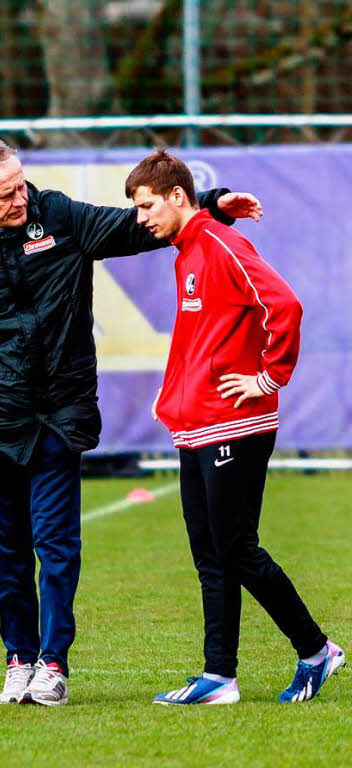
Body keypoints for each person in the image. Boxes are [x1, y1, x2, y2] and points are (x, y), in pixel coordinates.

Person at [0, 137, 263, 707]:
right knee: (7, 554)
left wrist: (212, 203)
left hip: (56, 416)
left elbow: (132, 227)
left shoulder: (57, 215)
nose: (21, 199)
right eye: (6, 194)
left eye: (22, 184)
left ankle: (53, 664)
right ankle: (18, 659)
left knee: (57, 546)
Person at [125, 148, 344, 706]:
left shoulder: (222, 243)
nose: (141, 217)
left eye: (147, 204)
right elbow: (202, 334)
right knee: (210, 554)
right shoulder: (187, 249)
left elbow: (285, 306)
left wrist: (269, 379)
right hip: (198, 421)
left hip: (236, 424)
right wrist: (174, 392)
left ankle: (317, 650)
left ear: (178, 196)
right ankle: (219, 676)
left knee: (237, 548)